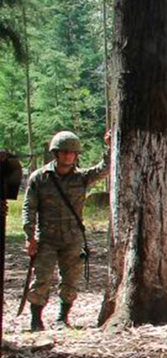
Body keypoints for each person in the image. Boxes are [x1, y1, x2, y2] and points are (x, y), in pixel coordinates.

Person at [21, 129, 111, 330]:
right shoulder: (40, 178)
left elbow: (105, 168)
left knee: (71, 280)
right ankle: (36, 320)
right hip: (46, 238)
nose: (68, 156)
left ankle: (62, 318)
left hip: (73, 238)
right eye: (64, 152)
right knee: (41, 278)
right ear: (56, 153)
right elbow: (29, 207)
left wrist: (109, 146)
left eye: (72, 153)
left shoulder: (81, 178)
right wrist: (29, 236)